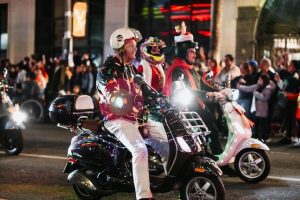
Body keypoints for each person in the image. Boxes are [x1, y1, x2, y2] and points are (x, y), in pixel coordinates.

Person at [96, 27, 169, 200]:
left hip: (136, 117)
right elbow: (112, 95)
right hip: (116, 119)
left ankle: (172, 179)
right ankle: (144, 196)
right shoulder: (106, 70)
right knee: (140, 150)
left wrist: (161, 99)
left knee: (166, 141)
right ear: (121, 47)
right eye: (132, 46)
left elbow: (144, 88)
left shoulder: (131, 69)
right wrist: (128, 100)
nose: (136, 49)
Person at [163, 22, 234, 174]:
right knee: (212, 131)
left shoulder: (190, 68)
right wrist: (208, 94)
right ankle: (218, 163)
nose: (195, 54)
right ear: (183, 52)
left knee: (213, 129)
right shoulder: (178, 70)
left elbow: (201, 84)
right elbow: (186, 91)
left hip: (196, 107)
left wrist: (219, 89)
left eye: (194, 51)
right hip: (187, 111)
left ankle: (214, 159)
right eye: (191, 51)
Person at [237, 74, 275, 141]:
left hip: (263, 110)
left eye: (260, 79)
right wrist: (239, 86)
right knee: (257, 124)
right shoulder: (257, 86)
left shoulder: (268, 88)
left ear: (264, 80)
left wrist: (255, 93)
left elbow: (265, 98)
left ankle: (263, 137)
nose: (258, 81)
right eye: (259, 79)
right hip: (256, 109)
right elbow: (247, 88)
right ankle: (257, 137)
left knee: (262, 124)